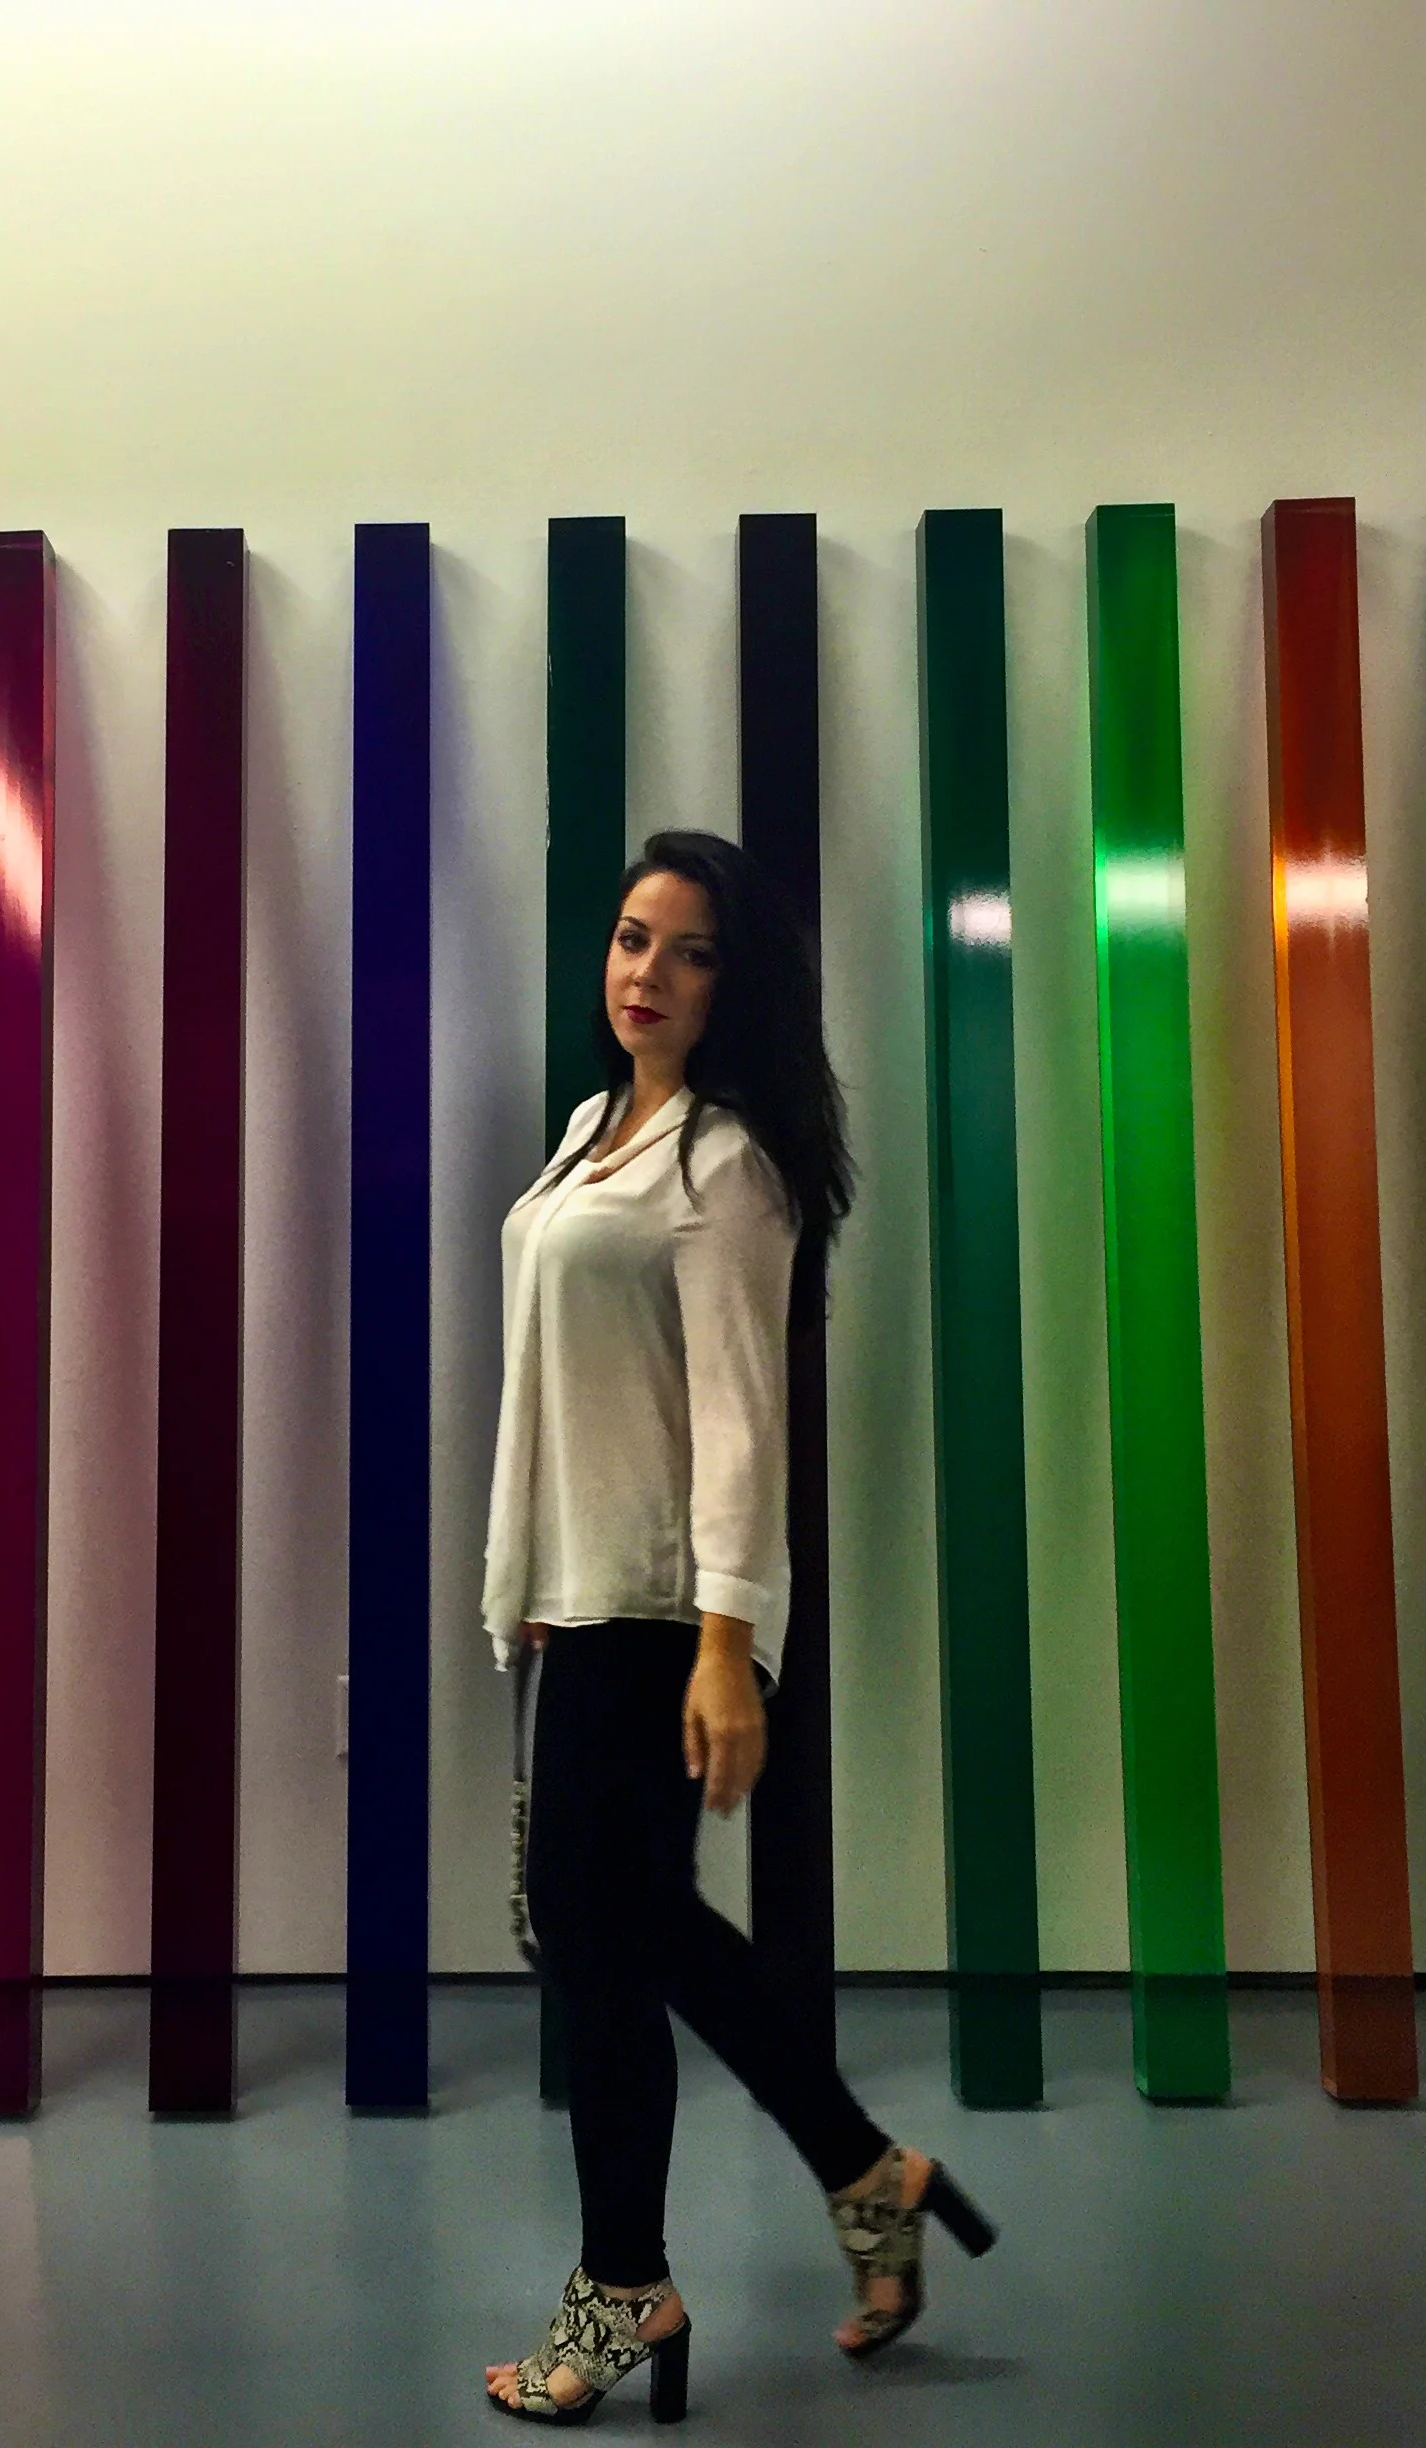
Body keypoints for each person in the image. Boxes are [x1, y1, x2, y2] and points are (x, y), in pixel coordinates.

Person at [482, 831, 995, 2426]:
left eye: (690, 952)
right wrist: (537, 1580)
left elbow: (741, 1429)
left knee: (600, 1954)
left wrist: (726, 1647)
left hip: (657, 1610)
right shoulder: (591, 1133)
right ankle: (870, 2175)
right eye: (633, 938)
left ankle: (624, 2284)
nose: (647, 972)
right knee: (640, 1932)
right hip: (581, 1599)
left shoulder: (727, 1169)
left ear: (734, 985)